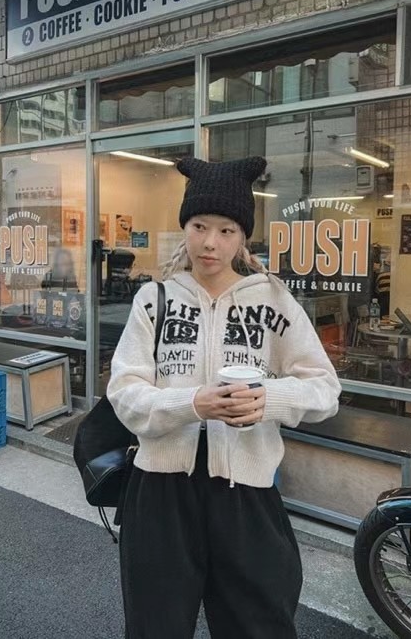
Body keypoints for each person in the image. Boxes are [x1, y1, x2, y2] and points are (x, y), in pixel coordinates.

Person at [107, 156, 341, 639]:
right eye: (199, 226)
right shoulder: (154, 300)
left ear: (242, 238)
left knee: (258, 625)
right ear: (185, 228)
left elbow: (325, 389)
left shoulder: (274, 301)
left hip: (246, 495)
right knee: (155, 627)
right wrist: (192, 404)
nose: (210, 242)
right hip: (160, 493)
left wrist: (268, 399)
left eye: (226, 230)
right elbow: (124, 393)